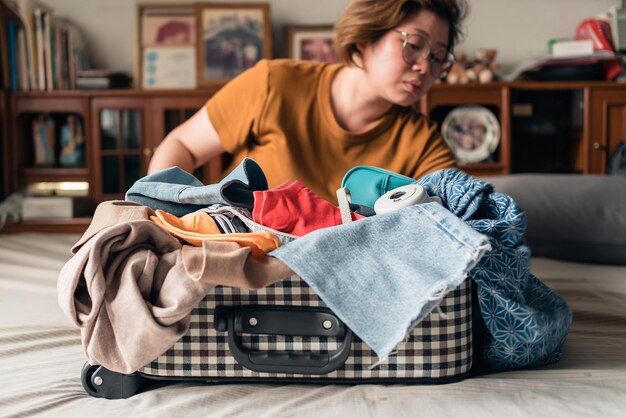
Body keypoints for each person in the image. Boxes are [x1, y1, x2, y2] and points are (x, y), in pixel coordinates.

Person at [148, 0, 467, 203]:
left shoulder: (422, 142)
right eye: (414, 45)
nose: (426, 67)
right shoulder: (274, 83)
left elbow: (459, 207)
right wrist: (166, 218)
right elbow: (183, 146)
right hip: (239, 260)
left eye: (439, 57)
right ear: (365, 36)